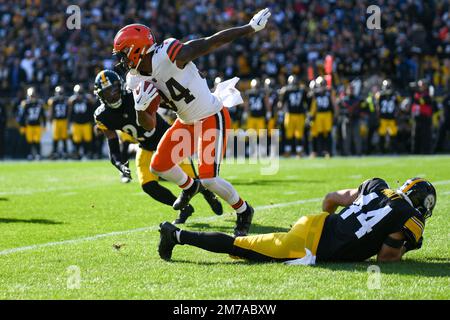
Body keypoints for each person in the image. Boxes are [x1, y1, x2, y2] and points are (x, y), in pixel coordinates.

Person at [112, 8, 272, 236]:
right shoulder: (136, 79)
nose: (122, 60)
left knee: (209, 178)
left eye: (123, 53)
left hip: (210, 115)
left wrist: (249, 28)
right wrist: (139, 109)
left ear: (137, 49)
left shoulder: (168, 54)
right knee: (159, 166)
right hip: (186, 122)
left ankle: (244, 210)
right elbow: (148, 125)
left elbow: (211, 42)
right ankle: (190, 186)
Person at [158, 177, 436, 263]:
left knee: (244, 246)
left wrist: (336, 226)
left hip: (314, 223)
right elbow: (386, 258)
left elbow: (330, 197)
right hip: (309, 247)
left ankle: (177, 236)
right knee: (239, 246)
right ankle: (176, 235)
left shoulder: (377, 186)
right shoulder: (410, 218)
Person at [93, 69, 222, 223]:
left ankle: (208, 195)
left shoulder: (135, 94)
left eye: (114, 89)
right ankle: (184, 208)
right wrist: (118, 162)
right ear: (100, 95)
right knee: (148, 185)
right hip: (145, 145)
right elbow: (112, 140)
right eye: (107, 92)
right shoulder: (102, 115)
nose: (112, 94)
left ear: (120, 85)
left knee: (193, 179)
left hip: (168, 140)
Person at [279, 75, 308, 157]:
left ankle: (298, 152)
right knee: (289, 134)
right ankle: (289, 151)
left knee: (299, 134)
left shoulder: (302, 90)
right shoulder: (287, 91)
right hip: (290, 114)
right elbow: (281, 103)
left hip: (299, 115)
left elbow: (307, 101)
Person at [19, 87, 46, 160]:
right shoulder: (25, 104)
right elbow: (22, 116)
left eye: (33, 95)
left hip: (37, 125)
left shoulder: (40, 103)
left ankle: (38, 154)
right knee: (29, 141)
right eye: (31, 96)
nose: (32, 97)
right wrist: (22, 126)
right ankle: (30, 154)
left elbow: (43, 115)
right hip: (29, 126)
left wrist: (44, 125)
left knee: (37, 141)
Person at [68, 84, 95, 159]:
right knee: (77, 141)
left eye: (81, 92)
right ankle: (77, 154)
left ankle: (87, 154)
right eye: (78, 93)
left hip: (86, 123)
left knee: (88, 140)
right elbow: (70, 111)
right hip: (77, 123)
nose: (79, 95)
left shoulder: (87, 99)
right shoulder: (72, 100)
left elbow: (93, 105)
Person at [376, 80, 399, 154]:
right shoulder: (380, 95)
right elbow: (377, 106)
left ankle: (393, 150)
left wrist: (396, 115)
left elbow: (398, 106)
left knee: (393, 135)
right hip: (383, 118)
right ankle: (382, 151)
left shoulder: (394, 95)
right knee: (382, 135)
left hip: (391, 118)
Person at [48, 86, 69, 159]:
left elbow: (69, 111)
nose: (60, 94)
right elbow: (50, 111)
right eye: (59, 93)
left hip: (64, 120)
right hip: (56, 121)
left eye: (61, 93)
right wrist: (50, 119)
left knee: (64, 137)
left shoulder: (66, 100)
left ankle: (65, 152)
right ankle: (55, 152)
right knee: (56, 137)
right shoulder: (53, 101)